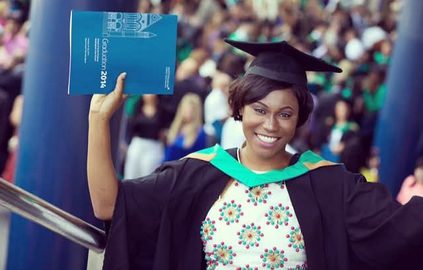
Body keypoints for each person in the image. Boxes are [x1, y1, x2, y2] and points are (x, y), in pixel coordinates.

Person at [87, 39, 423, 270]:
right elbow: (109, 206)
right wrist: (99, 121)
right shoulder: (197, 174)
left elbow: (403, 232)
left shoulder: (330, 185)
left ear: (301, 118)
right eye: (259, 109)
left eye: (285, 114)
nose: (271, 125)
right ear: (239, 108)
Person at [163, 93, 207, 161]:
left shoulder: (199, 132)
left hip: (185, 168)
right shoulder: (176, 127)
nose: (187, 112)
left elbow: (199, 158)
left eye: (191, 110)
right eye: (185, 109)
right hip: (169, 167)